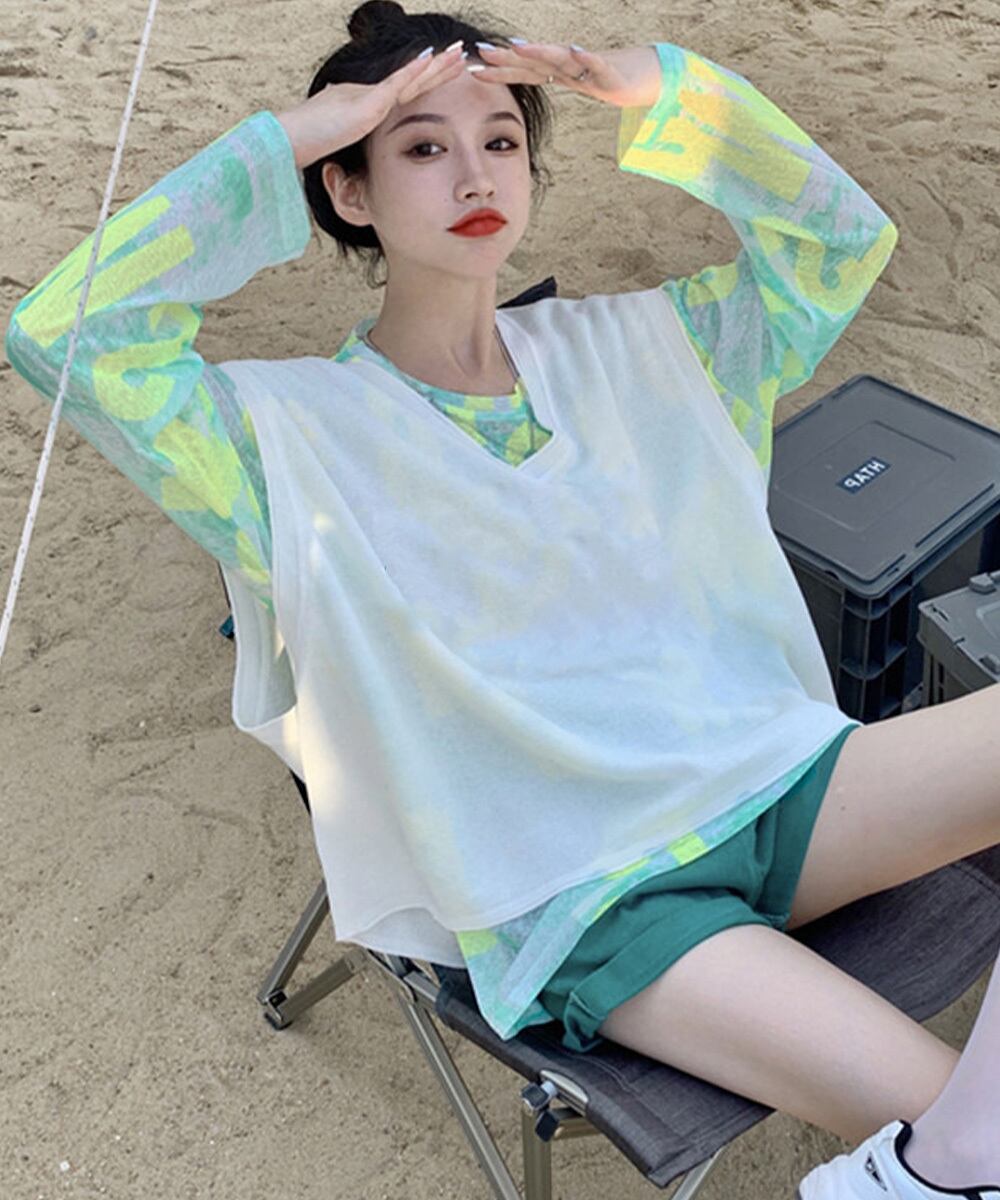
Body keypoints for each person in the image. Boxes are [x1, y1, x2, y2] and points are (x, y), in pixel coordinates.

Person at [6, 2, 1000, 1194]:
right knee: (975, 1141)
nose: (474, 175)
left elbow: (836, 240)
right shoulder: (275, 440)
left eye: (500, 141)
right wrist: (291, 138)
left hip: (776, 781)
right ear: (350, 192)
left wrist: (663, 90)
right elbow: (67, 332)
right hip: (591, 892)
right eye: (421, 147)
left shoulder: (656, 347)